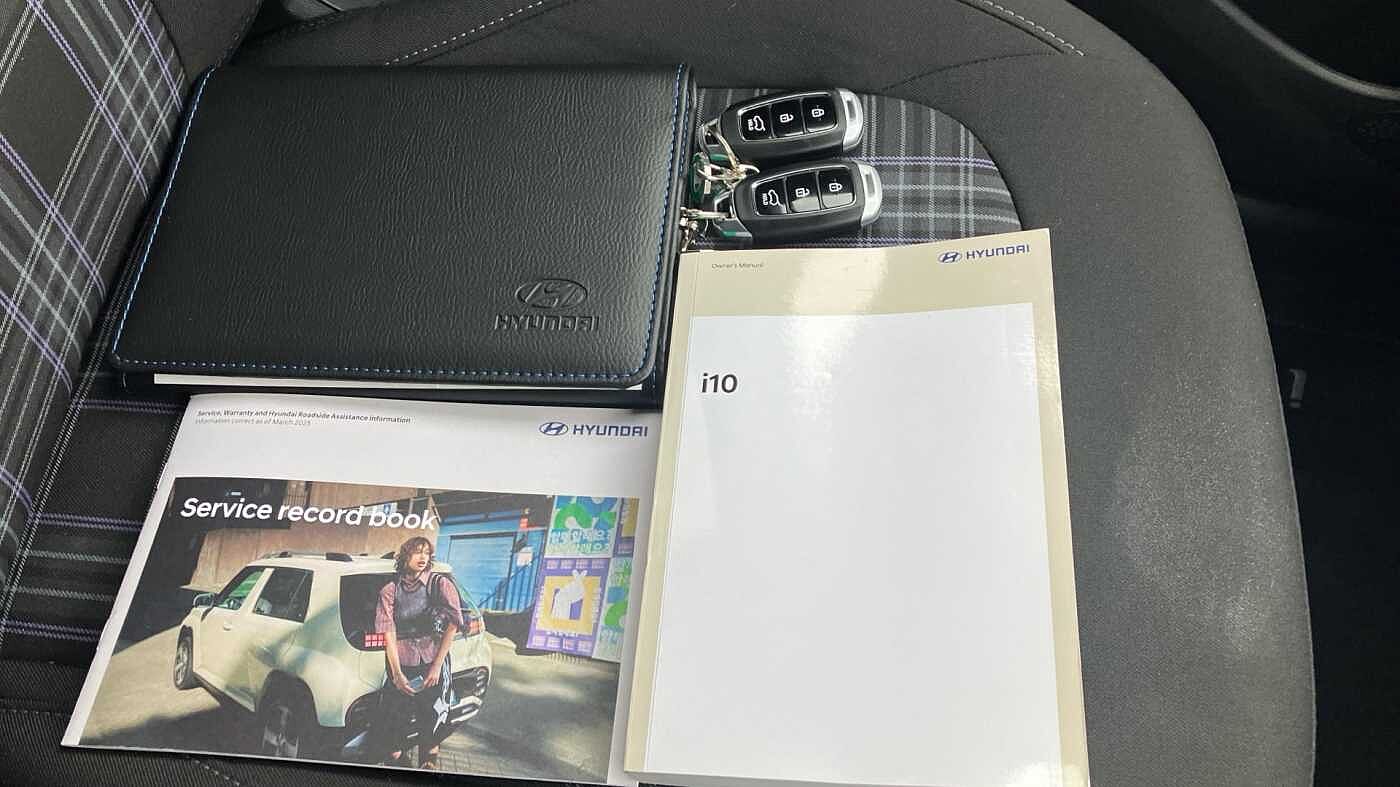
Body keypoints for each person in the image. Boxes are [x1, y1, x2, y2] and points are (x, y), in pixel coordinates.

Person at [373, 536, 464, 770]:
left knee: (431, 718)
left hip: (433, 661)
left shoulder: (439, 584)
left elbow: (454, 624)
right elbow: (388, 632)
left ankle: (427, 765)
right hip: (402, 662)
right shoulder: (390, 590)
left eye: (426, 552)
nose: (423, 557)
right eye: (417, 552)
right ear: (405, 556)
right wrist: (397, 674)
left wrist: (436, 667)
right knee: (394, 719)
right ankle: (399, 763)